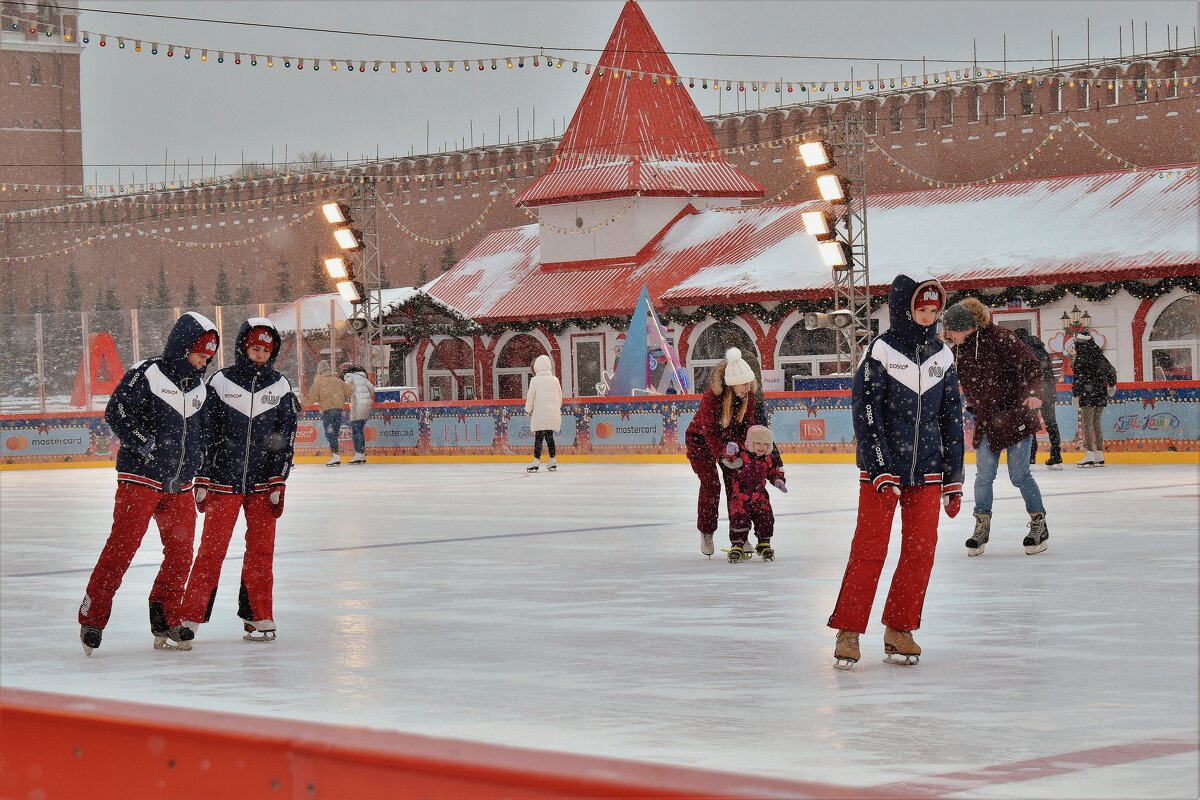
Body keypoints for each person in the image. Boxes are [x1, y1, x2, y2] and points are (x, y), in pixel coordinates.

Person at [828, 274, 963, 669]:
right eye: (920, 310)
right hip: (881, 471)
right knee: (869, 550)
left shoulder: (943, 356)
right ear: (906, 310)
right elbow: (865, 413)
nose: (927, 317)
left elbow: (951, 420)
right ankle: (849, 631)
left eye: (933, 311)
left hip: (928, 471)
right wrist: (881, 466)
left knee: (920, 552)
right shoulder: (881, 351)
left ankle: (899, 628)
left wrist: (954, 477)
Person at [77, 312, 218, 655]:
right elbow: (117, 412)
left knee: (181, 554)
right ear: (183, 347)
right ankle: (92, 616)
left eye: (208, 358)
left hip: (180, 483)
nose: (203, 363)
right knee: (122, 548)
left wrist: (199, 468)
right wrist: (147, 443)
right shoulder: (148, 373)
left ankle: (166, 619)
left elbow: (202, 433)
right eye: (200, 355)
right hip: (140, 477)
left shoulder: (199, 387)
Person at [180, 319, 298, 643]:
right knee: (211, 551)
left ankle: (258, 614)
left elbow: (284, 437)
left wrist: (278, 479)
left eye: (266, 350)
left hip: (262, 485)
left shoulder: (280, 387)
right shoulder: (221, 382)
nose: (260, 355)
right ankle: (189, 616)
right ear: (243, 348)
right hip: (222, 482)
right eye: (255, 348)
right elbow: (205, 431)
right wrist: (202, 474)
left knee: (261, 552)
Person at [941, 297, 1049, 558]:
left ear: (967, 326)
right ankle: (981, 526)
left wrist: (1034, 393)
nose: (948, 336)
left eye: (951, 331)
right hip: (987, 421)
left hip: (1016, 417)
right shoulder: (959, 349)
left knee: (1018, 475)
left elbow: (1032, 365)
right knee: (983, 476)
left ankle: (1039, 524)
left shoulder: (1001, 338)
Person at [685, 347, 758, 557]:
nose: (748, 387)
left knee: (736, 486)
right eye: (744, 383)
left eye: (749, 382)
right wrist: (723, 456)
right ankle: (707, 531)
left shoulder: (748, 395)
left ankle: (740, 536)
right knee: (711, 483)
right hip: (700, 440)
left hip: (730, 441)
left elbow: (748, 426)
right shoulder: (713, 396)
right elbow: (710, 433)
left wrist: (746, 452)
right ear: (732, 382)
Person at [720, 424, 786, 563]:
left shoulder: (769, 458)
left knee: (765, 518)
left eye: (765, 444)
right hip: (740, 497)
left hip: (760, 497)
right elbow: (729, 460)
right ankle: (737, 545)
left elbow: (775, 471)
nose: (762, 447)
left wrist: (778, 480)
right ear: (750, 443)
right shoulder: (742, 454)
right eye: (758, 443)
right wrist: (730, 452)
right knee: (739, 520)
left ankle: (764, 543)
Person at [1014, 328, 1063, 470]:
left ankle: (1031, 457)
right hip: (1047, 391)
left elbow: (1026, 374)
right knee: (1051, 424)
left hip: (1034, 392)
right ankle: (1056, 457)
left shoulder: (1024, 350)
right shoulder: (1041, 349)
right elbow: (1048, 372)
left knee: (1031, 425)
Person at [1069, 331, 1117, 467]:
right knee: (1097, 423)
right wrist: (1112, 384)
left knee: (1087, 424)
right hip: (1100, 394)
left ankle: (1089, 454)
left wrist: (1075, 394)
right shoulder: (1099, 356)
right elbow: (1111, 370)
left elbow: (1078, 379)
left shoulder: (1081, 358)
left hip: (1087, 394)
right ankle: (1099, 455)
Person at [301, 360, 352, 466]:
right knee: (335, 433)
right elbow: (349, 391)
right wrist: (340, 396)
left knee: (330, 434)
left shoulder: (318, 382)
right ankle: (336, 455)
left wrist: (301, 404)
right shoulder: (336, 380)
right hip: (338, 410)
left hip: (328, 411)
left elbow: (311, 397)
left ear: (319, 370)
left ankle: (336, 456)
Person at [525, 354, 563, 472]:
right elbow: (560, 397)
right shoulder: (555, 380)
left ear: (536, 367)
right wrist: (556, 408)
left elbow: (531, 396)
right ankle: (552, 460)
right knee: (550, 437)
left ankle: (536, 462)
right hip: (553, 413)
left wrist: (528, 409)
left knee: (539, 438)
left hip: (540, 414)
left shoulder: (535, 380)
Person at [340, 362, 375, 465]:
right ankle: (362, 454)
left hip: (357, 406)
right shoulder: (363, 377)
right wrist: (367, 397)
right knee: (360, 431)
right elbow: (372, 388)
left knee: (356, 431)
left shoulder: (349, 376)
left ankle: (358, 454)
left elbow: (346, 386)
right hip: (366, 406)